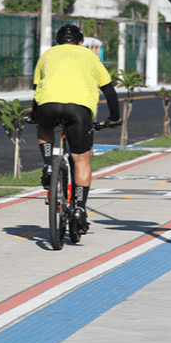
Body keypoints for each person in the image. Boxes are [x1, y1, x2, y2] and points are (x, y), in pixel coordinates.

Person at [32, 24, 122, 234]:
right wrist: (114, 118)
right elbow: (109, 91)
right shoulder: (90, 56)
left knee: (44, 128)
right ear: (81, 42)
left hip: (48, 105)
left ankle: (48, 165)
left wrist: (35, 114)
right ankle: (80, 208)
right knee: (81, 159)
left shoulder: (47, 55)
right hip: (79, 110)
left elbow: (38, 88)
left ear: (58, 42)